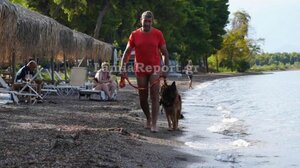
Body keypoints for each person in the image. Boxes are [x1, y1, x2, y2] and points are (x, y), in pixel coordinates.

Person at [120, 11, 170, 132]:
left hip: (155, 68)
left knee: (154, 94)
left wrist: (165, 68)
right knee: (142, 97)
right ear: (140, 20)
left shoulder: (158, 34)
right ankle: (148, 118)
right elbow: (127, 52)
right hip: (141, 68)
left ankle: (154, 123)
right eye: (145, 21)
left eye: (149, 21)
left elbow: (164, 52)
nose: (147, 23)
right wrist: (123, 69)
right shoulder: (134, 34)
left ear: (152, 21)